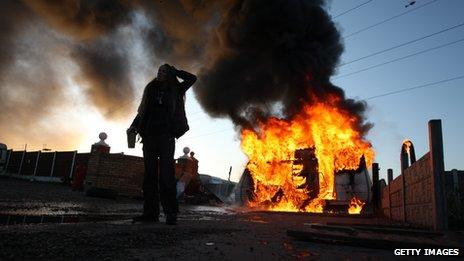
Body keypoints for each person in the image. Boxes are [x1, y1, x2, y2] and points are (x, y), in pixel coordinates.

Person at [128, 64, 196, 225]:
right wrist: (133, 126)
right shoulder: (150, 89)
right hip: (149, 137)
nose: (160, 73)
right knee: (149, 177)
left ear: (170, 74)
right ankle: (150, 213)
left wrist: (177, 71)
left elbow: (192, 78)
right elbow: (142, 112)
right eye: (159, 70)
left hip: (166, 137)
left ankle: (171, 213)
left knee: (166, 176)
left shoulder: (176, 89)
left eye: (164, 71)